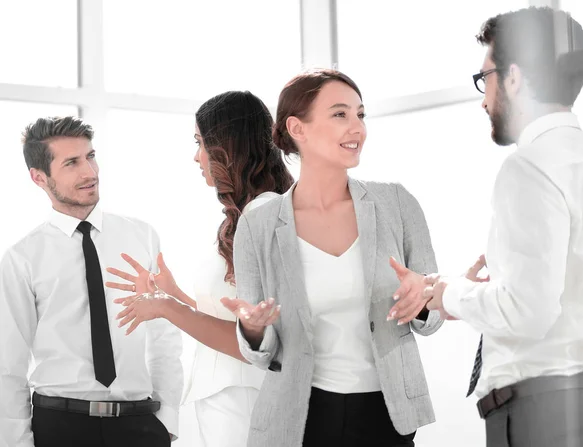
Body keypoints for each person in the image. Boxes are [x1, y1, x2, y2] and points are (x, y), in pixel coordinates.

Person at [222, 69, 443, 447]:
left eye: (361, 114)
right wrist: (254, 328)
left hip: (386, 413)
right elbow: (259, 353)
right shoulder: (258, 225)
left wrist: (423, 302)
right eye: (340, 114)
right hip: (300, 415)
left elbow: (432, 319)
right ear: (298, 128)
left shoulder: (397, 204)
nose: (357, 127)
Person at [414, 7, 583, 447]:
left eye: (487, 78)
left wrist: (449, 294)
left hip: (543, 415)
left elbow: (528, 310)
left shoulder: (529, 168)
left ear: (513, 77)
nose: (483, 97)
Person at [105, 91, 294, 446]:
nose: (196, 156)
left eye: (200, 142)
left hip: (247, 402)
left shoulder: (263, 215)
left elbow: (258, 345)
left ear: (227, 147)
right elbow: (241, 324)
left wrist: (166, 306)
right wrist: (173, 295)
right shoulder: (253, 215)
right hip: (238, 399)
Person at [0, 116, 183, 447]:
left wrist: (167, 417)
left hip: (139, 425)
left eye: (90, 156)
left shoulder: (141, 236)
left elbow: (164, 333)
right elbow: (7, 363)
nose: (90, 172)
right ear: (39, 177)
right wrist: (17, 442)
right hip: (59, 427)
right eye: (71, 162)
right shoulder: (22, 258)